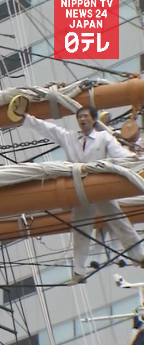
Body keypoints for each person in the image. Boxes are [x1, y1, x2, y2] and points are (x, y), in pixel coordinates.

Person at [18, 106, 144, 283]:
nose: (82, 119)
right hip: (79, 188)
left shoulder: (103, 137)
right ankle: (79, 271)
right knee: (79, 230)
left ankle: (139, 256)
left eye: (85, 116)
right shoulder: (71, 138)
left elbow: (120, 154)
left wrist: (136, 160)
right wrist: (25, 119)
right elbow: (49, 129)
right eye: (79, 117)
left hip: (99, 186)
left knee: (118, 220)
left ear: (93, 119)